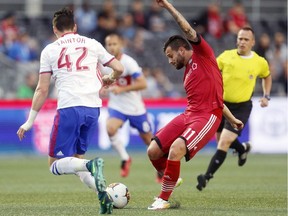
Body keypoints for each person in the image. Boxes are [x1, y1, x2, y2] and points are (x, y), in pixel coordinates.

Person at [16, 8, 124, 214]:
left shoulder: (49, 50)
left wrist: (29, 121)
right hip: (93, 109)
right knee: (77, 160)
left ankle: (92, 165)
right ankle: (105, 198)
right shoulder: (92, 43)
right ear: (75, 27)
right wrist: (109, 78)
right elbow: (119, 68)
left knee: (54, 164)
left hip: (69, 108)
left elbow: (42, 89)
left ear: (55, 29)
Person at [146, 0, 243, 210]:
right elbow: (215, 96)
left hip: (207, 117)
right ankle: (173, 177)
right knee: (153, 150)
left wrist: (168, 6)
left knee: (176, 149)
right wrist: (233, 118)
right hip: (189, 114)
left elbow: (187, 28)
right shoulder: (188, 73)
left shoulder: (203, 54)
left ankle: (163, 198)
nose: (170, 62)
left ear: (182, 49)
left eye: (171, 56)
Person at [196, 26, 272, 191]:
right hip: (221, 105)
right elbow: (211, 72)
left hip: (241, 107)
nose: (242, 42)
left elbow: (267, 76)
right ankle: (242, 148)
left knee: (223, 142)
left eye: (246, 39)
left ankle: (206, 177)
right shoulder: (225, 56)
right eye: (240, 38)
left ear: (252, 42)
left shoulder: (259, 62)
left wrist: (266, 96)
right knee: (221, 140)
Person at [102, 33, 153, 177]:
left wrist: (121, 89)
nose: (112, 47)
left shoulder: (129, 62)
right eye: (109, 44)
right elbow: (102, 81)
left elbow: (143, 84)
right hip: (117, 106)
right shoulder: (104, 64)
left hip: (135, 108)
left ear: (121, 45)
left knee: (149, 141)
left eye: (114, 44)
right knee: (110, 128)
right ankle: (125, 158)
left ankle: (161, 168)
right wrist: (102, 87)